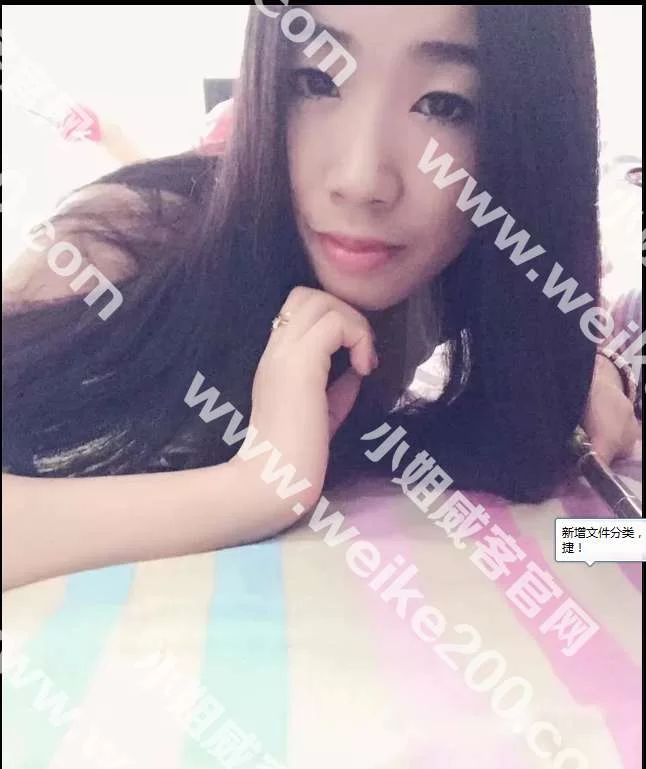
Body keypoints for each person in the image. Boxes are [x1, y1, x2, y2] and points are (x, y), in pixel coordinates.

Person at [2, 5, 640, 591]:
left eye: (445, 104)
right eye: (316, 81)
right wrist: (254, 487)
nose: (361, 179)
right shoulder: (128, 238)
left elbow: (589, 542)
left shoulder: (449, 281)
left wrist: (581, 365)